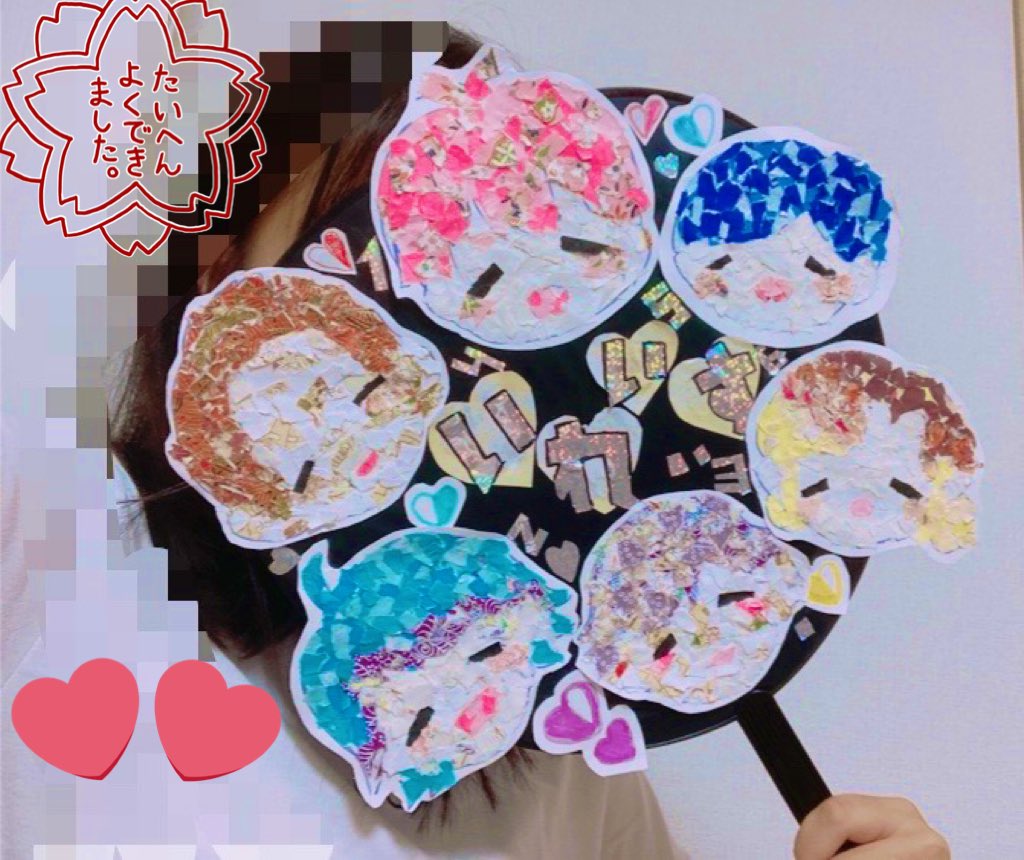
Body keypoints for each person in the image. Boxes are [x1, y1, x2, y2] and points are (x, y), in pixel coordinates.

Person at [105, 27, 951, 859]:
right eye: (369, 243)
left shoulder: (549, 726)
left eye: (507, 223)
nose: (419, 311)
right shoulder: (96, 568)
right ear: (216, 270)